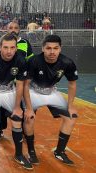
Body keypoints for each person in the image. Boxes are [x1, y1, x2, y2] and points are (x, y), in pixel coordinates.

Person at [23, 35, 78, 166]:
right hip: (33, 91)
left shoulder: (67, 62)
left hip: (51, 91)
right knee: (29, 118)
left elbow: (72, 84)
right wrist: (29, 108)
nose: (52, 51)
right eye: (48, 48)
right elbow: (25, 85)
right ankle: (31, 151)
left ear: (60, 49)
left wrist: (70, 105)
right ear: (43, 48)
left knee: (70, 117)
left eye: (55, 48)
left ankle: (59, 151)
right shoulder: (34, 61)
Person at [0, 33, 33, 170]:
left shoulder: (21, 61)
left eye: (12, 47)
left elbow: (20, 85)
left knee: (17, 118)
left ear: (16, 48)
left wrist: (17, 107)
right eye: (5, 47)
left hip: (10, 90)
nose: (9, 51)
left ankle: (19, 154)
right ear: (0, 47)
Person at [0, 21, 34, 141]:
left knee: (20, 107)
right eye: (10, 28)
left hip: (20, 81)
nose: (13, 30)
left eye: (15, 28)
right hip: (6, 81)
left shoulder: (25, 43)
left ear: (19, 30)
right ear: (6, 29)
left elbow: (30, 61)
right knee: (1, 107)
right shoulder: (0, 43)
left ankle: (22, 131)